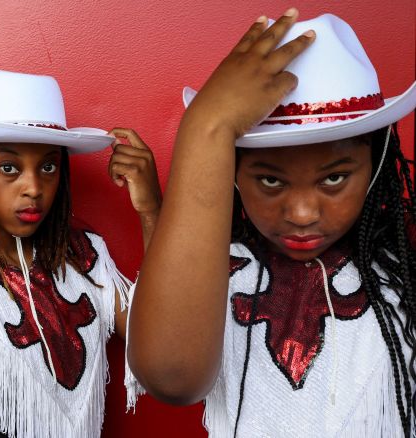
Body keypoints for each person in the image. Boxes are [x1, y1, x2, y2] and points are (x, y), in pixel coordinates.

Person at [122, 9, 416, 436]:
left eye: (334, 178)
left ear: (375, 165)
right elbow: (172, 377)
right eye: (270, 180)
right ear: (233, 175)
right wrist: (207, 128)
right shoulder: (221, 272)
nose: (301, 215)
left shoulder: (402, 266)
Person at [0, 70, 160, 437]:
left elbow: (164, 349)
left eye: (48, 166)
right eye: (9, 168)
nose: (34, 188)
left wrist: (150, 211)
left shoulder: (85, 257)